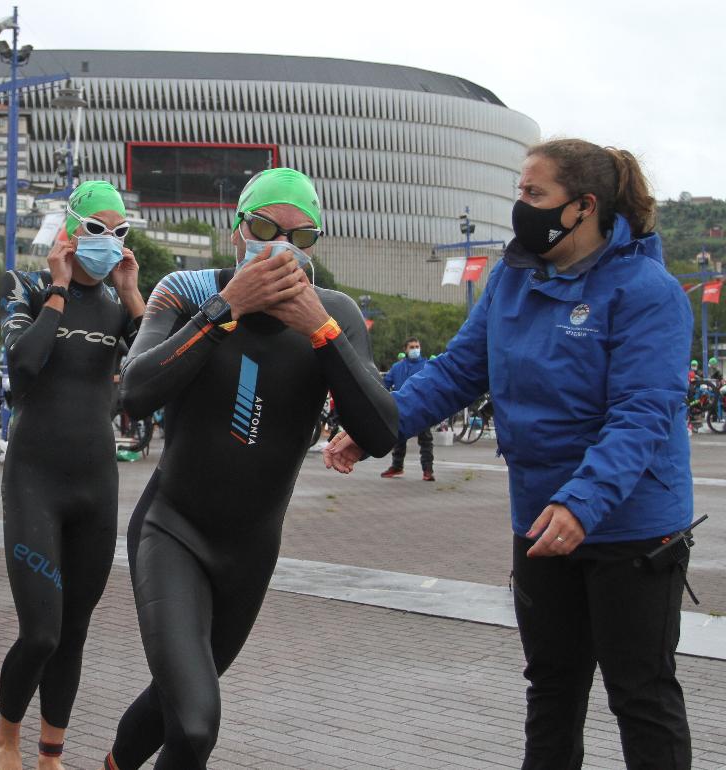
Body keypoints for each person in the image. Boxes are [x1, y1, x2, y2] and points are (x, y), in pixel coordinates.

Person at [326, 139, 695, 768]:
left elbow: (643, 412)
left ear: (583, 207)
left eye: (533, 194)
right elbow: (458, 372)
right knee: (552, 686)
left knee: (640, 692)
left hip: (632, 525)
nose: (518, 207)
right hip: (539, 518)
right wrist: (377, 426)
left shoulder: (647, 291)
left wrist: (583, 502)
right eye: (517, 192)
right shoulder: (513, 277)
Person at [106, 168, 397, 770]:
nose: (281, 245)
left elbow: (380, 431)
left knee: (174, 704)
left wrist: (319, 329)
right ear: (236, 229)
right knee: (193, 724)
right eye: (265, 226)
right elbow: (134, 393)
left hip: (249, 552)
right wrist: (225, 309)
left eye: (301, 235)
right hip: (173, 530)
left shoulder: (332, 311)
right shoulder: (186, 291)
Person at [0, 180, 145, 770]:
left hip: (95, 485)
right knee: (41, 633)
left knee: (74, 633)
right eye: (98, 229)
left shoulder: (119, 304)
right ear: (72, 231)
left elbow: (152, 378)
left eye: (120, 232)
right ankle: (7, 735)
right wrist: (57, 288)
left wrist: (133, 295)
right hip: (35, 480)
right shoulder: (24, 288)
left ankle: (51, 754)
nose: (109, 243)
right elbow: (23, 367)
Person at [380, 336, 435, 481]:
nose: (415, 349)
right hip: (401, 408)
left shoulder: (427, 365)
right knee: (398, 439)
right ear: (405, 350)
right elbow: (385, 383)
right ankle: (397, 467)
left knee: (426, 441)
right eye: (412, 347)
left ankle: (428, 470)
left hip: (422, 407)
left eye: (417, 346)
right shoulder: (397, 367)